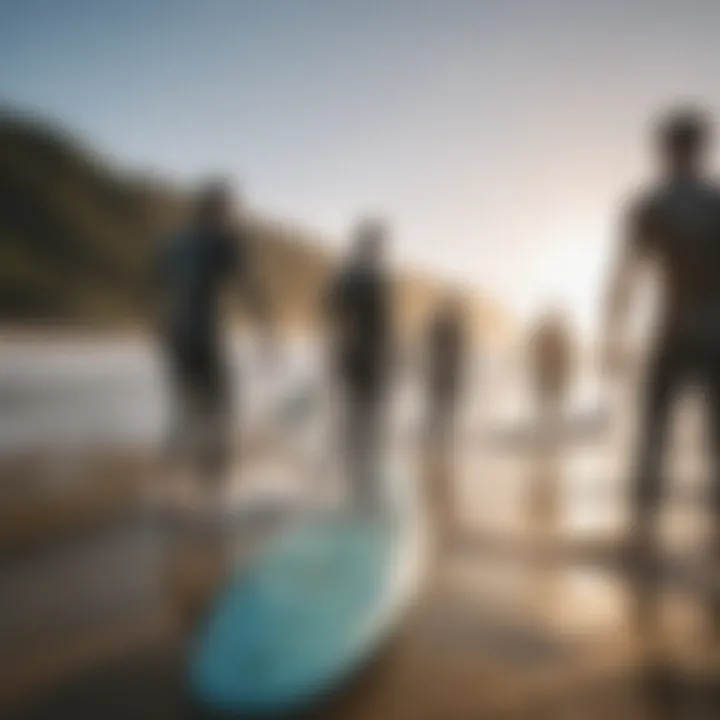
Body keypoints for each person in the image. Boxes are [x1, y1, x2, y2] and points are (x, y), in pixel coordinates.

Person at [601, 107, 720, 637]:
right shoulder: (714, 204)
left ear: (666, 150)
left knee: (655, 432)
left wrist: (613, 330)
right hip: (711, 334)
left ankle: (642, 535)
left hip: (674, 333)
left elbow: (627, 271)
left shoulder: (650, 204)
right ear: (701, 148)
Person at [153, 180, 271, 501]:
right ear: (220, 210)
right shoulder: (224, 240)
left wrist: (159, 328)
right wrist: (266, 330)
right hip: (203, 337)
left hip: (175, 337)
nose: (232, 215)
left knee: (186, 407)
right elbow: (249, 286)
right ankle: (213, 490)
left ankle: (171, 482)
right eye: (229, 209)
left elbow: (157, 285)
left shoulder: (175, 242)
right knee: (221, 408)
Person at [325, 219, 392, 507]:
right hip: (364, 357)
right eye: (378, 243)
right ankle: (359, 482)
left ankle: (355, 479)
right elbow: (375, 324)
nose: (382, 249)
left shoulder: (350, 274)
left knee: (357, 416)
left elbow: (331, 313)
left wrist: (337, 353)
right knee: (364, 417)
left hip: (356, 356)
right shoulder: (365, 277)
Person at [424, 295, 467, 454]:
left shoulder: (451, 326)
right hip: (442, 371)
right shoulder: (443, 326)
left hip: (447, 371)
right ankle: (437, 435)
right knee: (439, 404)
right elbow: (436, 348)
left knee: (444, 404)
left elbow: (458, 351)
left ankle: (442, 435)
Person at [529, 307, 573, 431]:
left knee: (553, 401)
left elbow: (564, 359)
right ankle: (547, 424)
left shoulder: (553, 337)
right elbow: (539, 357)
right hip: (547, 375)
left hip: (552, 376)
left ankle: (551, 424)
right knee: (547, 400)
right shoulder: (551, 337)